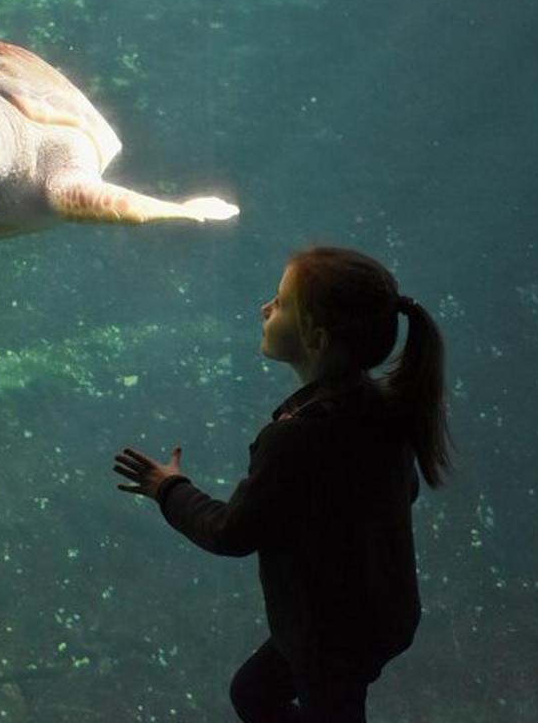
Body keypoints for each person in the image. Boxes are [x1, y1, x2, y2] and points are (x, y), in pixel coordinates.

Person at [112, 246, 452, 723]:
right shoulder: (381, 410)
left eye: (280, 302)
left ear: (314, 337)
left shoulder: (296, 437)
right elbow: (402, 491)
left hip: (327, 634)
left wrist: (168, 488)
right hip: (381, 616)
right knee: (253, 693)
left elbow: (231, 532)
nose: (264, 309)